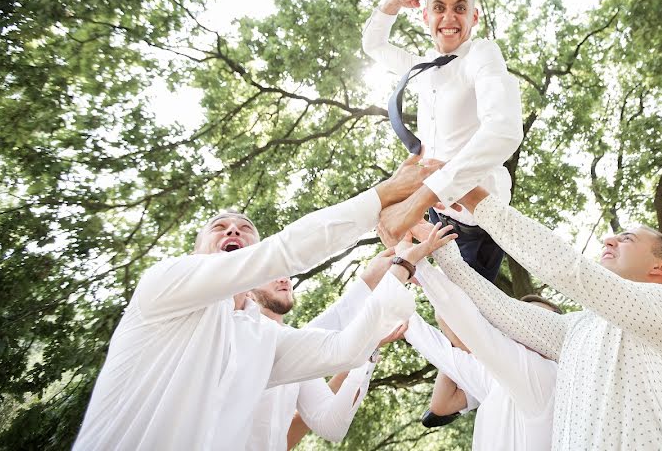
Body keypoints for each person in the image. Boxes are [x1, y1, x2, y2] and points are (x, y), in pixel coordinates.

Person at [72, 155, 452, 450]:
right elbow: (283, 252)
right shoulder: (164, 286)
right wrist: (382, 197)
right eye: (219, 227)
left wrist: (400, 264)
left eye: (244, 228)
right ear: (196, 250)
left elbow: (342, 348)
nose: (233, 229)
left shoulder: (261, 336)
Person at [424, 187, 662, 450]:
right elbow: (500, 310)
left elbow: (570, 270)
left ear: (661, 267)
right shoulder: (576, 328)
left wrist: (475, 198)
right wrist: (436, 249)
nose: (609, 239)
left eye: (627, 239)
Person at [362, 0, 524, 282]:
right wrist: (392, 2)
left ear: (474, 17)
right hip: (436, 209)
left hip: (477, 219)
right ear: (425, 17)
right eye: (439, 8)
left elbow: (504, 129)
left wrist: (417, 201)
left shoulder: (482, 54)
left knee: (468, 316)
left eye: (459, 8)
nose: (449, 18)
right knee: (380, 225)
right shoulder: (421, 68)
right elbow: (374, 45)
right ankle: (411, 262)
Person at [401, 229, 560, 450]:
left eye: (539, 320)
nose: (525, 327)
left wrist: (413, 264)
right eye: (522, 316)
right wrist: (401, 316)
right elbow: (447, 355)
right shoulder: (496, 381)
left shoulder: (546, 377)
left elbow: (471, 329)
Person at [244, 260, 404, 450]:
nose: (283, 279)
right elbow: (332, 324)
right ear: (247, 292)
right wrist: (374, 279)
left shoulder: (296, 351)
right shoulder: (238, 337)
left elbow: (332, 427)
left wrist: (371, 346)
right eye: (270, 274)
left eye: (287, 274)